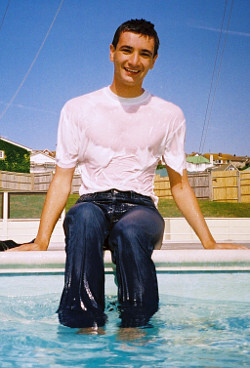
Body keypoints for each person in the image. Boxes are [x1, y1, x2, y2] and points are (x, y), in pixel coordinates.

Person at [5, 19, 246, 329]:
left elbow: (181, 185)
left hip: (141, 210)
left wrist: (209, 243)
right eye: (127, 50)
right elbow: (62, 178)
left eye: (144, 54)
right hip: (92, 203)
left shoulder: (169, 114)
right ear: (112, 52)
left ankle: (135, 328)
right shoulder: (78, 109)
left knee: (129, 232)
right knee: (83, 218)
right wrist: (41, 241)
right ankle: (83, 324)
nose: (134, 61)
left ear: (154, 60)